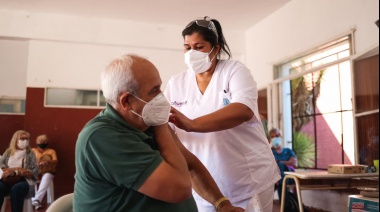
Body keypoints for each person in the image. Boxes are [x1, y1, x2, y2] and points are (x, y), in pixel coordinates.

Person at [74, 54, 244, 212]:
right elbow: (179, 189)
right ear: (127, 101)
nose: (162, 97)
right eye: (154, 91)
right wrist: (161, 121)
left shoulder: (145, 122)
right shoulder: (103, 137)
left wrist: (222, 204)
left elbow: (191, 166)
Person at [164, 16, 280, 212]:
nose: (191, 53)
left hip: (247, 182)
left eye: (199, 47)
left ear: (215, 49)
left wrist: (192, 124)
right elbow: (165, 126)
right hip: (203, 186)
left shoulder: (234, 71)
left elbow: (242, 110)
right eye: (187, 47)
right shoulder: (176, 84)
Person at [0, 130, 39, 212]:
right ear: (15, 140)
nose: (25, 141)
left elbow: (33, 171)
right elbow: (1, 165)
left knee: (16, 189)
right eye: (22, 138)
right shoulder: (8, 152)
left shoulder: (30, 153)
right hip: (8, 179)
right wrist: (8, 171)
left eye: (27, 139)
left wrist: (17, 172)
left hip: (24, 180)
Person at [268, 127, 297, 202]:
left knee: (279, 165)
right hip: (275, 177)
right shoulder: (269, 152)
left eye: (277, 136)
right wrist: (288, 162)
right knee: (281, 177)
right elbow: (268, 166)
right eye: (272, 136)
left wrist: (278, 162)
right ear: (270, 139)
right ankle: (286, 207)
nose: (275, 138)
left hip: (289, 176)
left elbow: (295, 163)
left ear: (280, 137)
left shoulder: (288, 151)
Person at [31, 134, 58, 209]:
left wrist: (47, 162)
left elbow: (55, 161)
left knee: (47, 176)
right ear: (37, 142)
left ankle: (37, 199)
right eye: (41, 141)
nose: (42, 143)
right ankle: (36, 201)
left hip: (48, 170)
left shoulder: (51, 151)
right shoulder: (33, 150)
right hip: (35, 170)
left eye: (44, 141)